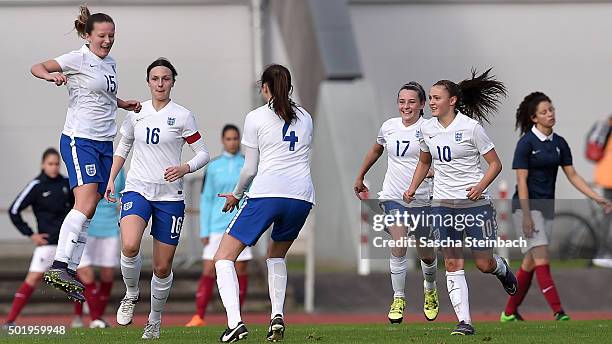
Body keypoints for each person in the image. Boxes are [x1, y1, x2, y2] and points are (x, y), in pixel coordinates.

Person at [30, 5, 141, 301]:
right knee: (86, 199)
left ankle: (69, 267)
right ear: (89, 36)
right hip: (81, 139)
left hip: (105, 142)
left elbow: (101, 95)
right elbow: (37, 67)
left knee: (91, 206)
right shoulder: (77, 58)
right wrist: (49, 77)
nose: (107, 40)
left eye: (112, 36)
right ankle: (59, 264)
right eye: (102, 36)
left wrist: (122, 103)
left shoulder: (110, 63)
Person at [404, 69, 518, 336]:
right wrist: (412, 188)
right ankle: (464, 321)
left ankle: (501, 269)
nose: (431, 102)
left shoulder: (471, 128)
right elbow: (424, 161)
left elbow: (495, 164)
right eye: (429, 98)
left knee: (483, 264)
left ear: (452, 101)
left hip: (474, 205)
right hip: (442, 204)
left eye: (436, 98)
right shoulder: (426, 128)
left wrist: (480, 187)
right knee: (453, 263)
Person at [105, 58, 210, 339]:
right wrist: (112, 177)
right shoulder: (136, 113)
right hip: (138, 189)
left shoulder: (183, 116)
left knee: (162, 267)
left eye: (165, 78)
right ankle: (130, 294)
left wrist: (184, 168)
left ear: (173, 82)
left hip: (169, 198)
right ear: (148, 82)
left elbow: (203, 153)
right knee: (129, 244)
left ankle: (154, 318)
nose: (160, 83)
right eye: (155, 78)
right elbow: (124, 145)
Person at [214, 64, 314, 342]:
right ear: (290, 87)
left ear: (265, 88)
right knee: (276, 256)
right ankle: (277, 317)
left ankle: (234, 322)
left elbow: (249, 169)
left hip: (268, 193)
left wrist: (236, 193)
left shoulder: (256, 117)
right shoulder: (306, 117)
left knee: (223, 257)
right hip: (301, 196)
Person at [501, 92, 612, 322]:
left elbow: (573, 175)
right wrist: (526, 217)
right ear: (534, 118)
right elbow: (521, 181)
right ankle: (559, 312)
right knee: (542, 258)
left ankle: (509, 312)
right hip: (526, 208)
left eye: (551, 110)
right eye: (544, 112)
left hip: (546, 208)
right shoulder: (526, 144)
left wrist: (596, 197)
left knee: (530, 262)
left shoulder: (559, 143)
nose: (550, 114)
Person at [354, 82, 439, 324]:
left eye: (412, 102)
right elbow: (376, 150)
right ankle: (398, 298)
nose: (406, 106)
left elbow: (444, 158)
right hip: (393, 196)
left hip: (422, 198)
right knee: (399, 242)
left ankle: (430, 289)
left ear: (422, 104)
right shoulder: (389, 127)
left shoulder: (430, 129)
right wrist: (360, 175)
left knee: (427, 255)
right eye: (402, 101)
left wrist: (434, 172)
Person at [186, 125, 252, 327]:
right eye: (228, 139)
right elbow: (206, 199)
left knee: (240, 270)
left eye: (235, 139)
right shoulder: (213, 166)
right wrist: (204, 230)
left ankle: (235, 318)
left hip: (240, 225)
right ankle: (199, 316)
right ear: (223, 141)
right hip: (216, 227)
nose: (232, 142)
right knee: (209, 269)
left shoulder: (247, 165)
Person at [4, 148, 73, 327]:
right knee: (33, 278)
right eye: (50, 164)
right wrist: (31, 234)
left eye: (57, 164)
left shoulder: (67, 183)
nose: (54, 167)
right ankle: (10, 321)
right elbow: (14, 210)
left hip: (68, 243)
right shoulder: (36, 185)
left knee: (84, 276)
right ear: (43, 165)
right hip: (48, 244)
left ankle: (89, 320)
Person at [72, 169, 126, 329]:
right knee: (85, 274)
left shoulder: (119, 168)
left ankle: (97, 318)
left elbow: (123, 195)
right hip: (86, 227)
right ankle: (92, 318)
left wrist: (121, 220)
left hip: (110, 228)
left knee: (107, 275)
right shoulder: (84, 163)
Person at [591, 115, 612, 267]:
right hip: (609, 179)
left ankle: (602, 251)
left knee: (607, 217)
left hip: (605, 178)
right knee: (607, 217)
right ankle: (603, 252)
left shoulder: (605, 128)